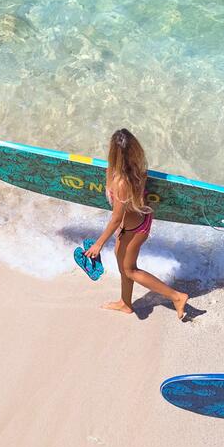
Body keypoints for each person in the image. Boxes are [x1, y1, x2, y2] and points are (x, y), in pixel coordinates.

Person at [84, 129, 189, 321]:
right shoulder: (138, 167)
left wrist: (99, 244)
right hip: (139, 220)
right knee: (122, 263)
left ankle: (177, 297)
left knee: (130, 270)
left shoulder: (121, 182)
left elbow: (116, 218)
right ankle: (125, 303)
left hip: (134, 229)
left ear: (113, 152)